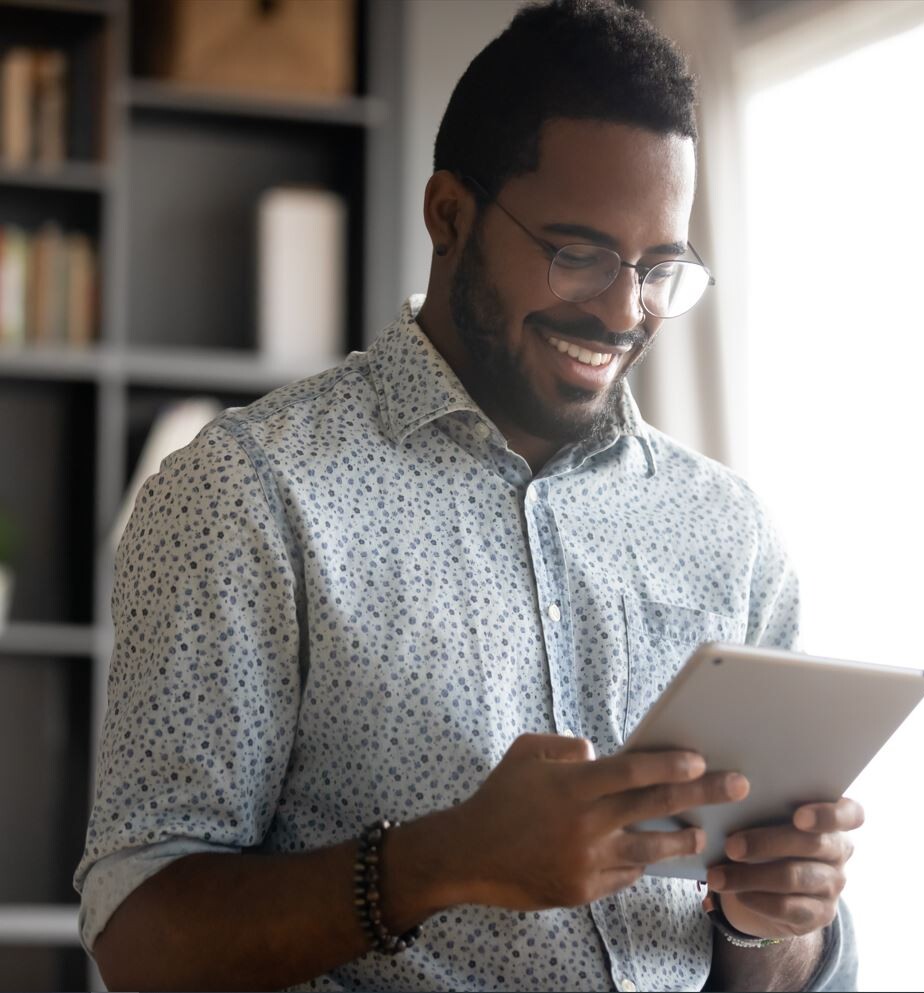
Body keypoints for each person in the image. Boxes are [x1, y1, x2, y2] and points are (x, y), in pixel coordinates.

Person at [74, 1, 862, 989]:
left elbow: (781, 967)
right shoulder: (246, 495)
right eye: (577, 253)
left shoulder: (727, 531)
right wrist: (444, 862)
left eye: (659, 267)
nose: (624, 312)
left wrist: (767, 922)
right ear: (449, 214)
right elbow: (138, 939)